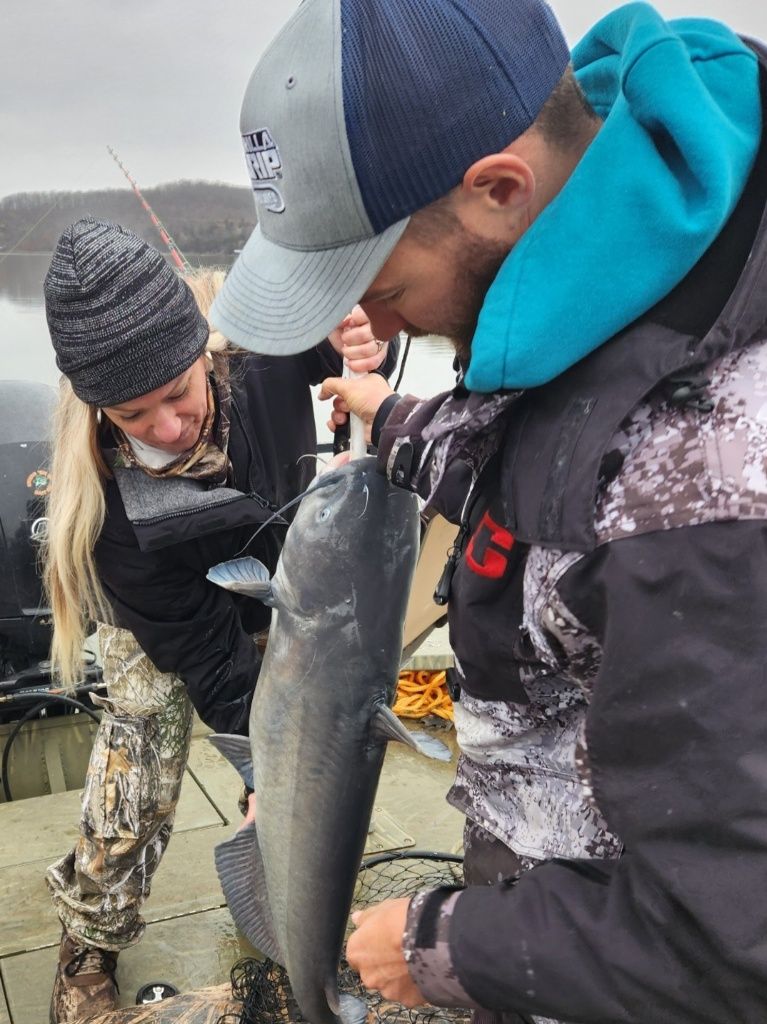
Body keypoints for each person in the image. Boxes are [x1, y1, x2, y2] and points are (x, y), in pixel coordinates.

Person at [208, 0, 767, 1021]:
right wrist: (395, 423)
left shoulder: (706, 502)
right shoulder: (600, 276)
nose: (374, 325)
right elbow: (560, 458)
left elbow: (731, 934)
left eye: (381, 284)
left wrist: (440, 946)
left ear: (498, 189)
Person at [42, 217, 397, 1023]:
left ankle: (280, 875)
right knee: (141, 755)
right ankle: (88, 938)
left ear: (203, 353)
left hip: (285, 582)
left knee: (324, 750)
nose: (168, 428)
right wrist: (265, 762)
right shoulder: (110, 514)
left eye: (178, 393)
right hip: (168, 622)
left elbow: (349, 358)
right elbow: (207, 656)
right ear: (99, 411)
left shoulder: (263, 355)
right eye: (133, 415)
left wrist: (364, 337)